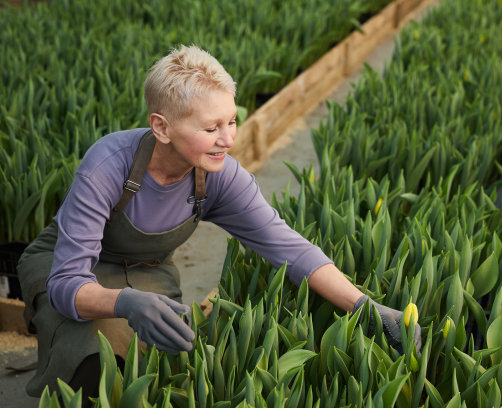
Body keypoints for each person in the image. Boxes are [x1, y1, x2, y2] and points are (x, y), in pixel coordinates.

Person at [17, 44, 421, 402]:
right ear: (162, 127)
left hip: (147, 271)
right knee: (93, 353)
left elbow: (290, 248)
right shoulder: (108, 166)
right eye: (211, 128)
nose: (228, 139)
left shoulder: (219, 175)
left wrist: (367, 308)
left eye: (231, 120)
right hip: (66, 265)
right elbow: (67, 283)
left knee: (166, 359)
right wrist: (123, 302)